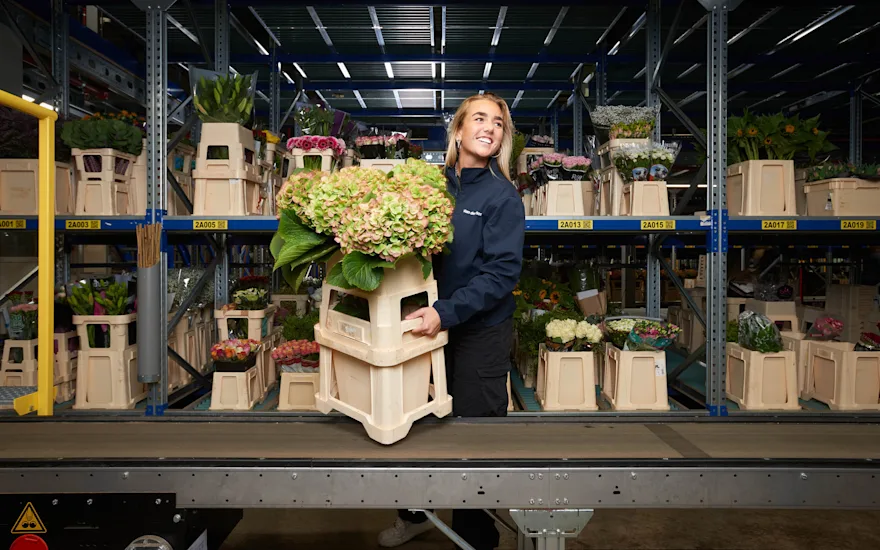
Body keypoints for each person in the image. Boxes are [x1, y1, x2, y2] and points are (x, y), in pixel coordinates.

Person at [377, 93, 525, 550]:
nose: (490, 128)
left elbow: (501, 274)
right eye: (479, 118)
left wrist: (445, 313)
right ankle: (415, 513)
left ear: (502, 138)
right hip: (421, 323)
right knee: (413, 424)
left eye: (498, 123)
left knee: (472, 437)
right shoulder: (427, 187)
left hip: (478, 330)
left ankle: (475, 537)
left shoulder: (503, 197)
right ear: (458, 131)